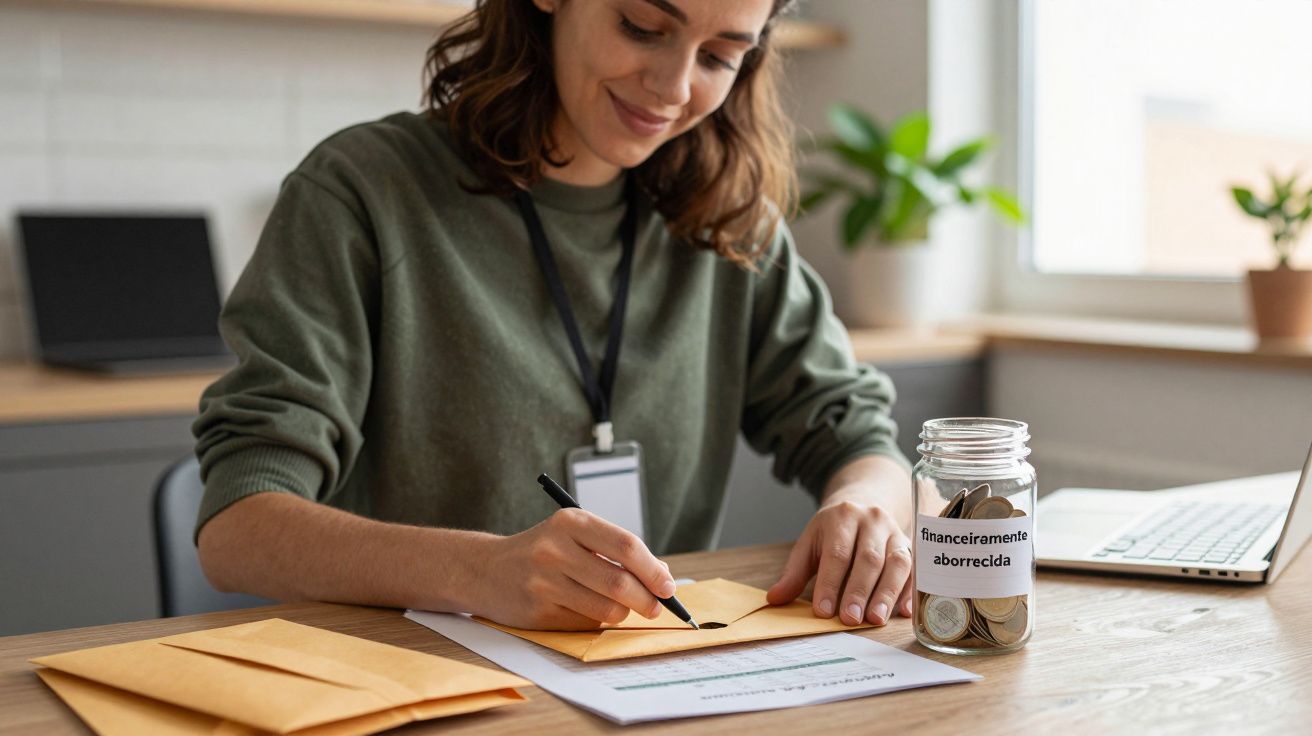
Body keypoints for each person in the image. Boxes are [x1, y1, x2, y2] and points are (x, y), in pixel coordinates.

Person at [193, 0, 915, 632]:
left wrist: (866, 507)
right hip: (412, 686)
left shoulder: (729, 223)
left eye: (721, 56)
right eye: (642, 26)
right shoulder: (363, 193)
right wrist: (479, 572)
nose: (673, 87)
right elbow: (238, 528)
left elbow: (858, 435)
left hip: (636, 691)